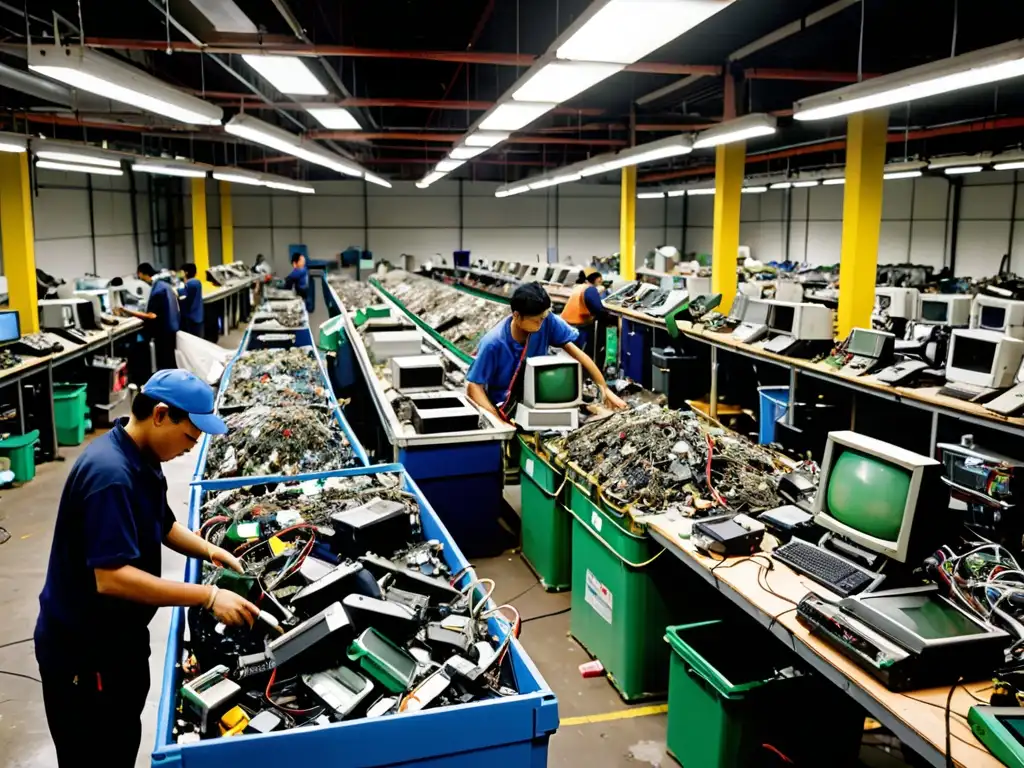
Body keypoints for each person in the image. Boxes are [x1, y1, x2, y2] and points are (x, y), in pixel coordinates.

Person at [34, 369, 260, 768]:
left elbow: (164, 524)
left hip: (118, 643)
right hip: (85, 658)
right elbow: (112, 578)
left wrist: (211, 552)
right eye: (190, 436)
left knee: (121, 741)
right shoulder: (110, 476)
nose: (192, 447)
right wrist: (208, 596)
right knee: (94, 756)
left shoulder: (140, 455)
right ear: (159, 415)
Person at [467, 282, 627, 421]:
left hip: (533, 402)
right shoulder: (493, 343)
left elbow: (576, 352)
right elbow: (474, 386)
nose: (542, 322)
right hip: (504, 406)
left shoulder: (547, 320)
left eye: (544, 317)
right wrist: (498, 421)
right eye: (537, 319)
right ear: (517, 316)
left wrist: (604, 389)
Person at [117, 262, 180, 371]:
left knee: (164, 363)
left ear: (141, 273)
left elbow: (151, 316)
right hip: (172, 327)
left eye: (138, 276)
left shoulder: (157, 290)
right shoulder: (163, 285)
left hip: (163, 333)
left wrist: (127, 311)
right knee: (170, 360)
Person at [561, 268, 609, 359]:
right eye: (600, 278)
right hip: (580, 326)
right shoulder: (590, 290)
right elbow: (598, 309)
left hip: (568, 323)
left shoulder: (579, 287)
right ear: (596, 279)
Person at [178, 262, 204, 338]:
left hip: (192, 318)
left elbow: (182, 295)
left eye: (181, 272)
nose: (180, 273)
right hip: (197, 316)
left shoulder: (191, 284)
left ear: (186, 272)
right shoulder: (196, 282)